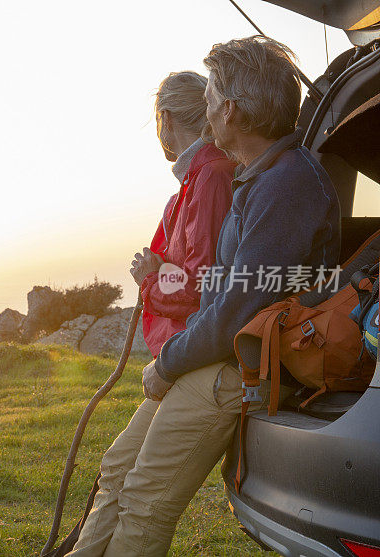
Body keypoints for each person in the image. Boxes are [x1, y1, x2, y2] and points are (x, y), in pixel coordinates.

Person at [67, 36, 340, 557]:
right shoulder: (258, 178)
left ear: (231, 109)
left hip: (237, 366)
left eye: (212, 95)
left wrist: (168, 361)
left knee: (146, 498)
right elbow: (223, 290)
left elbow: (239, 306)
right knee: (118, 470)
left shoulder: (284, 187)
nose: (207, 107)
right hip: (218, 353)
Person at [131, 71, 236, 358]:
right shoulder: (199, 178)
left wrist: (150, 281)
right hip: (190, 345)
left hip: (198, 349)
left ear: (165, 118)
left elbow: (202, 290)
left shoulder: (210, 177)